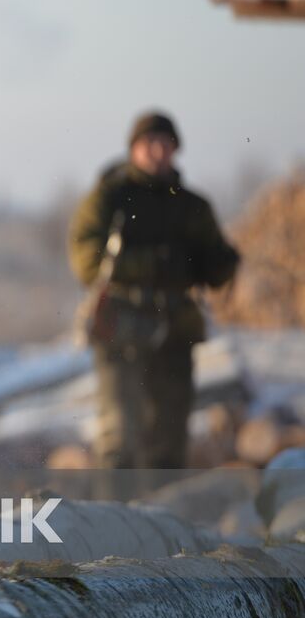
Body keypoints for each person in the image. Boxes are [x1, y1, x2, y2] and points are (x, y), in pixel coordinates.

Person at [68, 111, 239, 469]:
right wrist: (150, 265)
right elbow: (87, 260)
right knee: (120, 441)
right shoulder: (109, 198)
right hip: (120, 326)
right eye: (150, 144)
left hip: (175, 330)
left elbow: (215, 267)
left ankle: (160, 522)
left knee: (169, 443)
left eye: (166, 144)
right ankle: (109, 520)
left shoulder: (192, 206)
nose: (159, 152)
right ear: (134, 149)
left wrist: (222, 263)